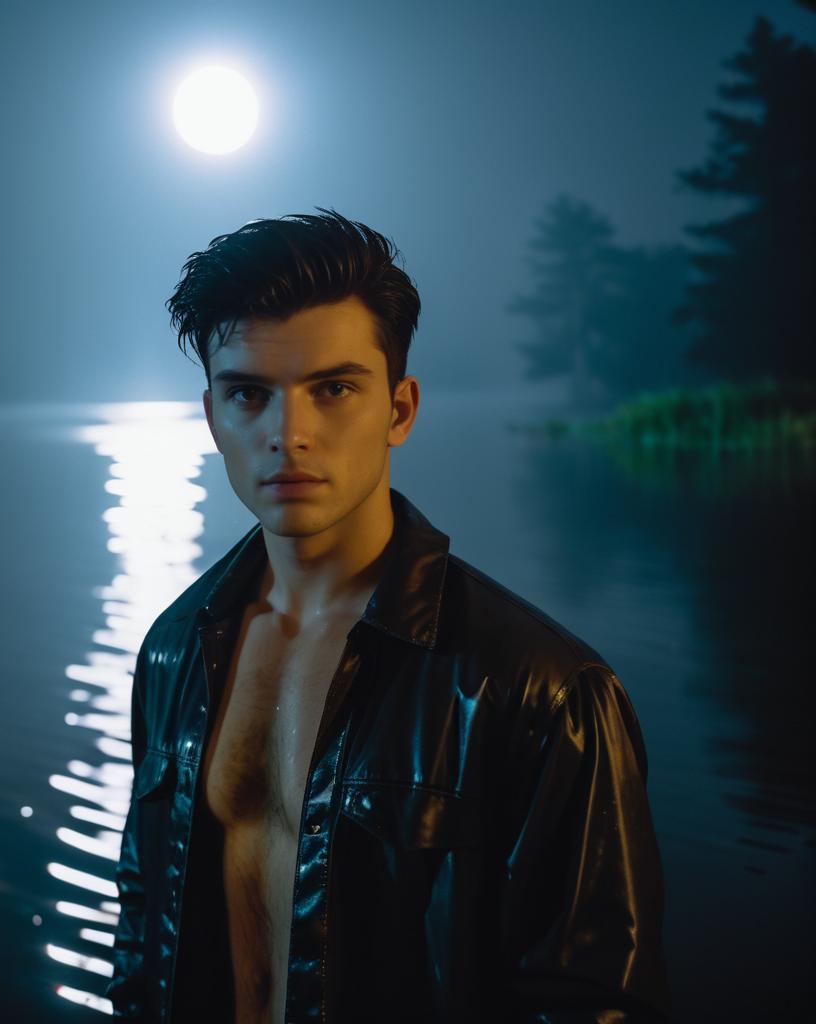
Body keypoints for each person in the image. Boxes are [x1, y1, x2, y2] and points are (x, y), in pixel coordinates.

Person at [106, 209, 671, 1023]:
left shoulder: (545, 693)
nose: (288, 434)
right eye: (249, 395)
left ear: (400, 410)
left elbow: (593, 1003)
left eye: (333, 389)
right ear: (212, 417)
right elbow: (142, 933)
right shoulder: (173, 650)